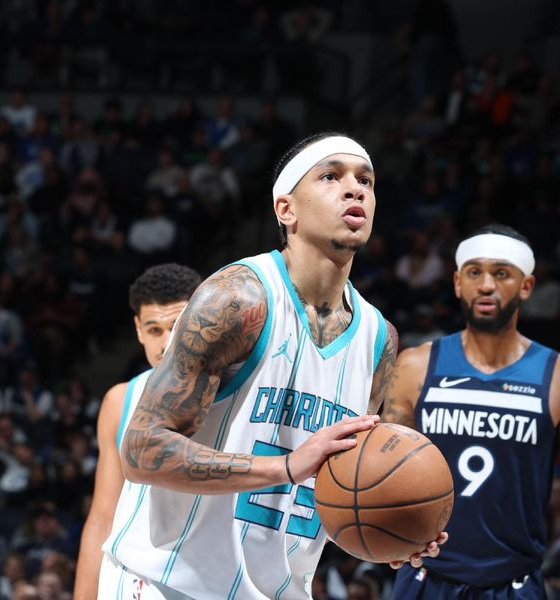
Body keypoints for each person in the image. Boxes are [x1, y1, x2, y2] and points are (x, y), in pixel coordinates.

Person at [99, 132, 443, 599]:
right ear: (286, 210)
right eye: (330, 176)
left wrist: (392, 521)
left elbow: (340, 479)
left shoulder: (379, 340)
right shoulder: (238, 299)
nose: (354, 189)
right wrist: (284, 466)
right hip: (168, 583)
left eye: (365, 180)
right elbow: (141, 450)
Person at [383, 223, 560, 598]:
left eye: (501, 273)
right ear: (457, 283)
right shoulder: (415, 367)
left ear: (526, 286)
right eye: (474, 272)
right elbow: (382, 473)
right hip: (424, 576)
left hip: (514, 583)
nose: (486, 285)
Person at [72, 263, 203, 599]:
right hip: (135, 587)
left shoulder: (236, 391)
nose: (165, 343)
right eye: (154, 330)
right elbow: (102, 518)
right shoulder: (120, 401)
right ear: (138, 330)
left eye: (176, 326)